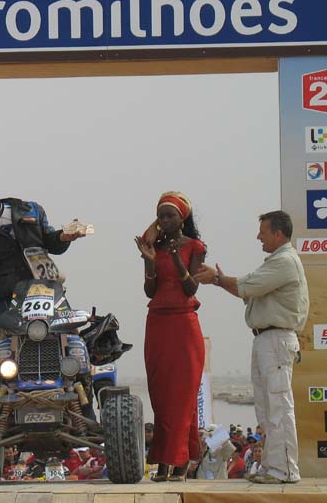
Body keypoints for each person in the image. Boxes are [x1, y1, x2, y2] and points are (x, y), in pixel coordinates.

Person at [194, 210, 309, 484]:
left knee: (279, 407)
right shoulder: (274, 262)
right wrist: (222, 280)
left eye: (263, 231)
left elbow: (246, 286)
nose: (258, 237)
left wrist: (217, 279)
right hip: (265, 339)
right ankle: (272, 467)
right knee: (266, 410)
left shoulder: (285, 262)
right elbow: (247, 288)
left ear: (278, 233)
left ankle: (285, 470)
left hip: (277, 339)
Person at [134, 192, 206, 482]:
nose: (164, 221)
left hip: (184, 324)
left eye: (170, 215)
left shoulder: (195, 246)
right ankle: (165, 462)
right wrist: (150, 262)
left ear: (182, 218)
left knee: (182, 397)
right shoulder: (154, 247)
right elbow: (149, 291)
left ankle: (178, 461)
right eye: (160, 216)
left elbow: (191, 288)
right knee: (161, 397)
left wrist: (176, 259)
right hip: (158, 324)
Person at [0, 180, 87, 313]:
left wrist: (63, 237)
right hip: (8, 300)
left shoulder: (30, 210)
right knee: (9, 328)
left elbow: (51, 242)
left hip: (47, 292)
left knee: (68, 325)